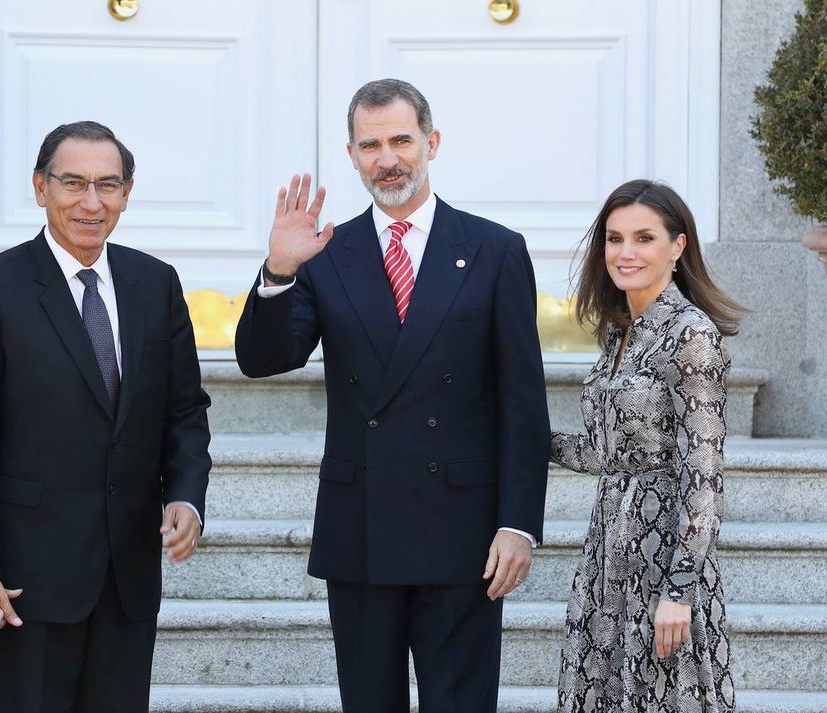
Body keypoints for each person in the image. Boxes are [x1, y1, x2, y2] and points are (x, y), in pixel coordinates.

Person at [235, 78, 550, 713]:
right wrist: (277, 272)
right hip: (362, 530)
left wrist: (519, 524)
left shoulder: (493, 249)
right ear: (352, 155)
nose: (388, 159)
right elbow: (263, 359)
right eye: (371, 144)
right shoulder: (324, 252)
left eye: (401, 140)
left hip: (463, 531)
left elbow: (522, 400)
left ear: (431, 143)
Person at [0, 120, 211, 713]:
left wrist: (186, 496)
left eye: (108, 185)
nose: (92, 202)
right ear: (41, 187)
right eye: (73, 183)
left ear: (126, 192)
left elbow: (185, 411)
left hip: (128, 575)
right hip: (25, 580)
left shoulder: (155, 282)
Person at [551, 179, 746, 712]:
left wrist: (680, 590)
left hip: (663, 555)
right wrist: (530, 440)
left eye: (643, 238)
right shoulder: (620, 333)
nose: (625, 253)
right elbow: (604, 455)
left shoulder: (691, 335)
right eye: (614, 239)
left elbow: (703, 476)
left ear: (677, 246)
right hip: (608, 547)